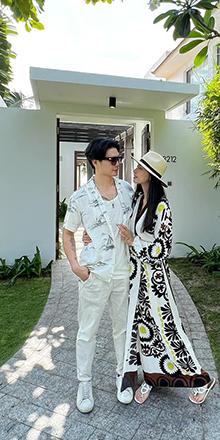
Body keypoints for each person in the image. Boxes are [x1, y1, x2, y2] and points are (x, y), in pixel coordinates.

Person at [118, 151, 216, 405]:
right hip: (137, 280)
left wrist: (134, 242)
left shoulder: (162, 207)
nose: (135, 170)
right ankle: (152, 378)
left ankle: (202, 379)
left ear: (150, 175)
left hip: (155, 282)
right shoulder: (137, 200)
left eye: (140, 168)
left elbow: (162, 249)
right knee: (145, 330)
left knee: (168, 328)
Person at [62, 138, 135, 414]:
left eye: (119, 159)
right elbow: (68, 233)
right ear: (96, 162)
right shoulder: (80, 197)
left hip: (122, 272)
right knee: (87, 331)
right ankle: (84, 383)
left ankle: (123, 375)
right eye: (112, 160)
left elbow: (137, 224)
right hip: (94, 274)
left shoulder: (127, 190)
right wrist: (75, 266)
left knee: (122, 328)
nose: (117, 164)